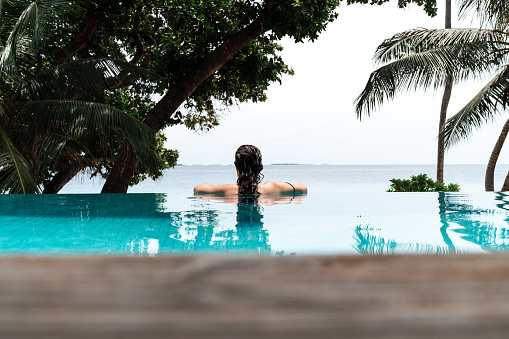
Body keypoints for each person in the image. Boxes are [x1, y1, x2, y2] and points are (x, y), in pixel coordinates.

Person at [193, 145, 307, 196]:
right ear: (259, 168)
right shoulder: (270, 188)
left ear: (236, 167)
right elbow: (302, 188)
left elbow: (198, 189)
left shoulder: (228, 190)